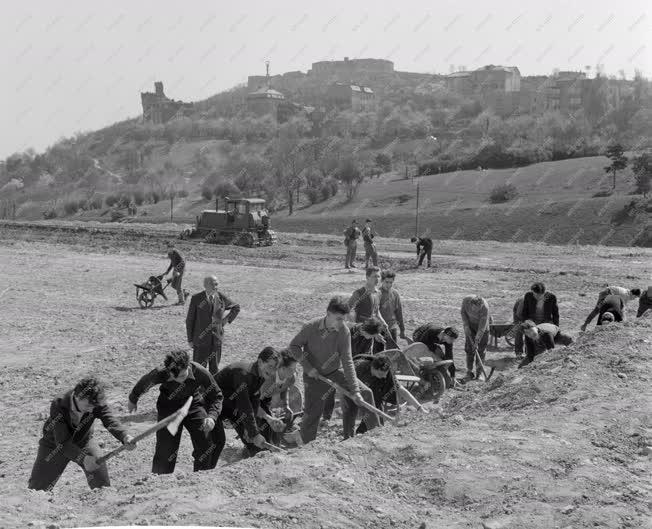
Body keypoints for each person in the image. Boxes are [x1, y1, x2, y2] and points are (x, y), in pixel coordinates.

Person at [288, 296, 380, 444]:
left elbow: (348, 361)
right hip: (313, 376)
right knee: (313, 413)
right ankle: (305, 445)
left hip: (335, 371)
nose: (341, 323)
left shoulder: (344, 331)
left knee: (365, 393)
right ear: (328, 313)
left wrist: (355, 390)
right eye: (338, 319)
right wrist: (308, 368)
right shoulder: (311, 327)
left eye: (344, 319)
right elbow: (294, 346)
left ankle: (378, 434)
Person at [28, 377, 136, 491]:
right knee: (37, 490)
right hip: (54, 445)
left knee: (102, 486)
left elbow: (110, 420)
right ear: (77, 396)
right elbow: (62, 442)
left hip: (84, 441)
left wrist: (125, 436)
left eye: (94, 407)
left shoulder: (96, 402)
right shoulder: (59, 403)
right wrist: (83, 459)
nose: (91, 410)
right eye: (88, 406)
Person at [128, 350, 223, 474]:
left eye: (183, 376)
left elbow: (217, 396)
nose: (180, 381)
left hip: (192, 403)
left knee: (205, 441)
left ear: (187, 366)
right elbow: (144, 383)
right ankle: (161, 480)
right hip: (168, 405)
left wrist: (211, 416)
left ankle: (202, 477)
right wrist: (133, 399)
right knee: (166, 449)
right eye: (175, 377)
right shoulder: (161, 372)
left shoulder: (200, 372)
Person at [216, 347, 283, 457]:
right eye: (270, 366)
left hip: (232, 405)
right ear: (260, 362)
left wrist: (252, 430)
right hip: (213, 404)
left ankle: (256, 463)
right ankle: (201, 473)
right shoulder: (243, 374)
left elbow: (254, 402)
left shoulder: (260, 375)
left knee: (254, 442)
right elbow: (245, 406)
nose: (272, 372)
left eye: (275, 368)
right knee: (217, 442)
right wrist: (254, 433)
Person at [321, 317, 388, 424]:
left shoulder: (368, 335)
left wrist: (376, 336)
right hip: (336, 360)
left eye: (372, 336)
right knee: (331, 386)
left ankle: (368, 415)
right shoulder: (346, 332)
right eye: (371, 336)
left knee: (365, 386)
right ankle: (326, 416)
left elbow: (365, 355)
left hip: (356, 362)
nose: (370, 338)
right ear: (364, 331)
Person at [186, 275, 240, 375]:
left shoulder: (221, 297)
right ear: (205, 285)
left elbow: (236, 307)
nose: (216, 286)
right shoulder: (196, 298)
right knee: (198, 370)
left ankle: (212, 389)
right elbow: (190, 320)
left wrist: (225, 320)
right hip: (200, 341)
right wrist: (190, 339)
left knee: (214, 370)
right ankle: (198, 390)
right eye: (213, 284)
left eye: (217, 284)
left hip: (216, 341)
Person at [349, 354, 397, 436]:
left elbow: (400, 389)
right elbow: (346, 380)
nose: (385, 376)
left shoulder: (383, 374)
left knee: (376, 398)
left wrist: (419, 407)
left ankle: (370, 428)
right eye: (382, 374)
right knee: (350, 408)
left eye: (386, 374)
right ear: (375, 369)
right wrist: (354, 393)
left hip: (367, 385)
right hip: (351, 383)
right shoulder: (358, 367)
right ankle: (349, 434)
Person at [258, 349, 298, 445]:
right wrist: (267, 417)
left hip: (266, 398)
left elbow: (284, 388)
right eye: (291, 369)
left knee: (275, 429)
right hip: (253, 399)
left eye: (295, 368)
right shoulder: (267, 380)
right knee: (264, 427)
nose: (294, 372)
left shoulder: (291, 377)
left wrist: (286, 405)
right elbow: (253, 403)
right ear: (282, 368)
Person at [460, 295, 492, 381]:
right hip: (470, 326)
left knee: (481, 350)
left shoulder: (484, 307)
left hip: (483, 328)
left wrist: (477, 340)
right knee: (469, 349)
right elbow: (463, 313)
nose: (477, 311)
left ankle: (479, 373)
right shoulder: (466, 301)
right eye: (475, 309)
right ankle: (469, 372)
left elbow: (482, 326)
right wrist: (466, 326)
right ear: (471, 305)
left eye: (479, 309)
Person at [379, 270, 407, 346]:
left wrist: (402, 329)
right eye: (386, 282)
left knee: (392, 352)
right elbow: (373, 313)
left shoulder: (395, 294)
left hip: (392, 328)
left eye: (391, 282)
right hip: (379, 329)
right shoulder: (377, 294)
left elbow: (399, 312)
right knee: (377, 354)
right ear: (382, 281)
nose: (389, 285)